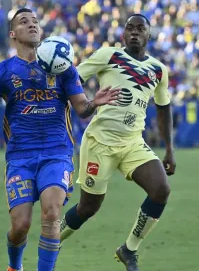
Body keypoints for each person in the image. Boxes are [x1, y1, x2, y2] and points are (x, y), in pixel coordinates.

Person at [0, 8, 119, 271]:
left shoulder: (63, 68)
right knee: (20, 226)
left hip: (56, 153)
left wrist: (95, 103)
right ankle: (14, 265)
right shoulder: (3, 71)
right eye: (24, 22)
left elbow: (81, 109)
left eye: (35, 21)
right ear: (13, 33)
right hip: (20, 158)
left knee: (52, 213)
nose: (32, 25)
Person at [59, 14, 177, 271]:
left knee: (161, 190)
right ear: (123, 35)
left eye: (140, 28)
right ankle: (52, 239)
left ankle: (129, 249)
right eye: (130, 28)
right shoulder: (109, 56)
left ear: (149, 35)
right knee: (89, 207)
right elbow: (72, 78)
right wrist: (89, 101)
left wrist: (169, 149)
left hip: (133, 142)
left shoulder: (158, 70)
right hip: (100, 142)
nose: (134, 32)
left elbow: (163, 106)